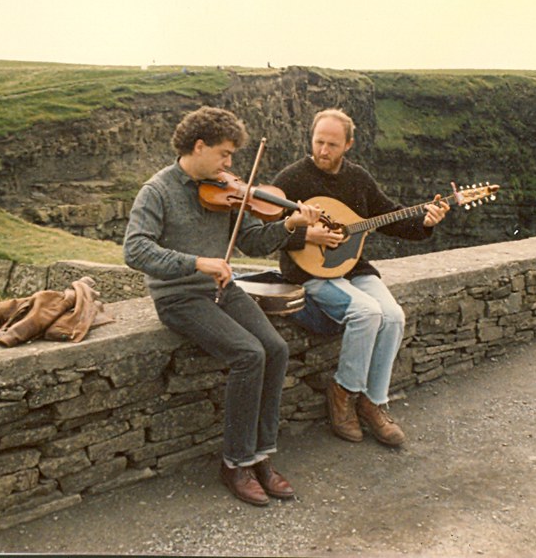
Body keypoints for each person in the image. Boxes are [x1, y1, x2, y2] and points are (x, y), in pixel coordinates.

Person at [123, 106, 321, 506]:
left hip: (222, 287)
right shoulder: (157, 191)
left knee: (276, 348)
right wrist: (195, 262)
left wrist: (289, 226)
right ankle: (235, 463)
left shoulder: (225, 189)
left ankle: (262, 455)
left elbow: (254, 242)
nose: (231, 165)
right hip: (178, 295)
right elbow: (135, 249)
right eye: (225, 154)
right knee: (249, 354)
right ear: (199, 146)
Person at [271, 108, 450, 447]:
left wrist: (425, 222)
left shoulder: (358, 179)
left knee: (394, 316)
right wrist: (307, 237)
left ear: (348, 145)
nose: (323, 151)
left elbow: (390, 217)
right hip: (310, 271)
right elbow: (264, 230)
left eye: (332, 145)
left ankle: (372, 403)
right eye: (318, 142)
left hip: (352, 267)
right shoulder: (292, 179)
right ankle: (343, 394)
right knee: (367, 312)